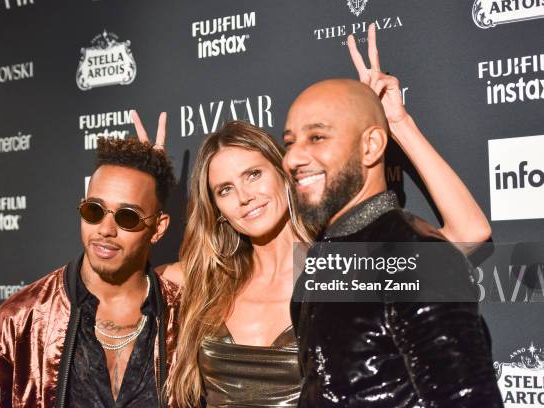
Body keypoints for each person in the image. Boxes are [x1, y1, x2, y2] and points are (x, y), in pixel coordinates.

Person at [163, 26, 492, 407]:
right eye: (224, 189)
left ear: (283, 173)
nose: (244, 197)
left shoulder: (334, 263)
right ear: (216, 208)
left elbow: (469, 231)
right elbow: (112, 285)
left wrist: (396, 123)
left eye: (253, 175)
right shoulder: (205, 279)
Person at [282, 28, 503, 408]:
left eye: (317, 137)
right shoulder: (321, 257)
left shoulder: (415, 260)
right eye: (290, 142)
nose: (292, 158)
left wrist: (395, 121)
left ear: (370, 145)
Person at [0, 133, 181, 408]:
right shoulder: (17, 323)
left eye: (127, 216)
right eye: (94, 210)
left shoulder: (185, 319)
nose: (105, 230)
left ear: (158, 228)